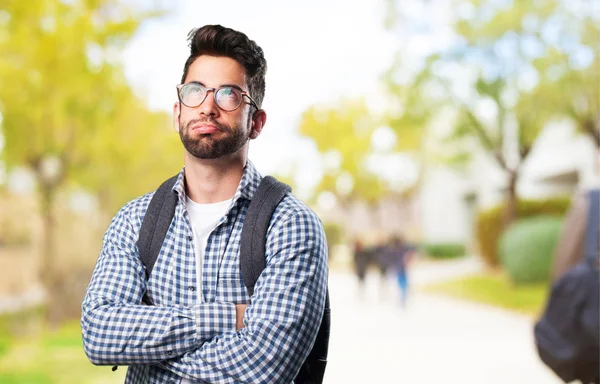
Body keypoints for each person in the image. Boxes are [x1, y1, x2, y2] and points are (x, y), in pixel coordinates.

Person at [81, 25, 328, 384]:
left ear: (256, 122)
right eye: (195, 91)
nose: (208, 107)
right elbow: (99, 334)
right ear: (178, 110)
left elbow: (264, 370)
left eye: (229, 95)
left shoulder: (291, 224)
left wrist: (149, 354)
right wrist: (230, 318)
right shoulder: (135, 221)